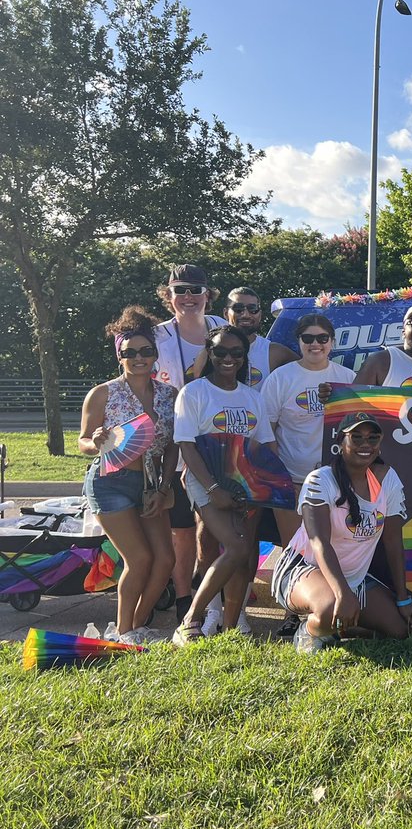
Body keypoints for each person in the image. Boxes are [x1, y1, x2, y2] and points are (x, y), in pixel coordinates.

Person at [193, 287, 300, 634]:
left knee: (247, 539)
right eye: (238, 308)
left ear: (261, 314)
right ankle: (210, 610)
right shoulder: (207, 353)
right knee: (207, 538)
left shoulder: (278, 354)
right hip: (209, 464)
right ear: (227, 312)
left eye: (253, 308)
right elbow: (195, 399)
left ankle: (236, 611)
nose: (246, 313)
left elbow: (308, 379)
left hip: (254, 462)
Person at [270, 413, 412, 653]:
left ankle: (335, 627)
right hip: (304, 569)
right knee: (330, 606)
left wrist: (403, 599)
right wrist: (342, 593)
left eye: (372, 438)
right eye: (356, 437)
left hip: (355, 579)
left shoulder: (388, 479)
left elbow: (393, 541)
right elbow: (319, 542)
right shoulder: (320, 480)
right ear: (341, 442)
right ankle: (309, 630)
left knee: (403, 629)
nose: (365, 444)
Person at [171, 325, 277, 645]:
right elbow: (186, 445)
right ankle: (192, 619)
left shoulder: (252, 397)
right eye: (220, 352)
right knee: (235, 546)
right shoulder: (194, 393)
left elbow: (264, 446)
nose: (228, 358)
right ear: (210, 353)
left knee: (244, 551)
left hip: (245, 484)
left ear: (245, 357)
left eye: (236, 353)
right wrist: (214, 488)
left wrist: (270, 487)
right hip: (206, 482)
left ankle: (231, 627)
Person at [78, 306, 177, 644]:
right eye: (129, 352)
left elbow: (172, 447)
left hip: (150, 485)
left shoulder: (168, 395)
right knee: (139, 558)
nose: (138, 358)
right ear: (119, 355)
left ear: (154, 354)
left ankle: (136, 626)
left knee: (165, 560)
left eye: (146, 351)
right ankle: (124, 631)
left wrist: (165, 486)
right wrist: (95, 442)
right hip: (111, 482)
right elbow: (83, 441)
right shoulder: (103, 392)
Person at [153, 264, 228, 625]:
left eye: (195, 290)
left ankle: (215, 598)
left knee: (216, 531)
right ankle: (186, 602)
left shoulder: (222, 330)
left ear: (208, 295)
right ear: (168, 295)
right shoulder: (154, 337)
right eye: (180, 289)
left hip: (218, 446)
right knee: (183, 534)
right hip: (173, 446)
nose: (188, 297)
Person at [261, 314, 357, 545]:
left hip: (336, 481)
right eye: (308, 338)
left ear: (332, 342)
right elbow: (265, 433)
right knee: (293, 549)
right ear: (299, 341)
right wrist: (281, 479)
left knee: (333, 547)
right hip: (291, 479)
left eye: (322, 338)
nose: (315, 344)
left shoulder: (348, 378)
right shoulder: (280, 379)